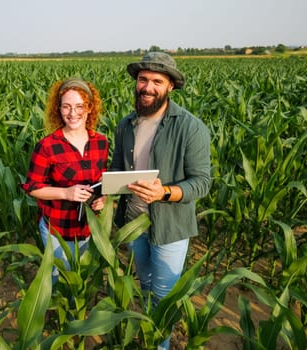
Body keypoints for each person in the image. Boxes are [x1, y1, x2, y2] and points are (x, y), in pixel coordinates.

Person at [110, 52, 211, 349]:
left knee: (164, 297)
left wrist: (164, 192)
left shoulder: (190, 127)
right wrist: (105, 193)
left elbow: (202, 182)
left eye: (157, 81)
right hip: (135, 223)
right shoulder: (126, 124)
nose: (148, 86)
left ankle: (160, 345)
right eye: (143, 79)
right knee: (145, 288)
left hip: (170, 226)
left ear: (170, 87)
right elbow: (117, 169)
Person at [21, 78, 108, 284]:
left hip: (88, 227)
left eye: (79, 106)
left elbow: (100, 180)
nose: (73, 113)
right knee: (58, 282)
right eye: (66, 106)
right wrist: (66, 193)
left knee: (79, 281)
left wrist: (101, 199)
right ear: (58, 109)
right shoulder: (47, 146)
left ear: (89, 108)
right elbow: (32, 187)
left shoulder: (101, 142)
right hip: (58, 230)